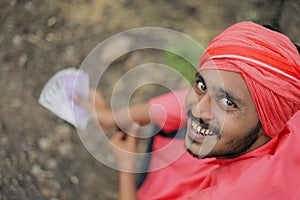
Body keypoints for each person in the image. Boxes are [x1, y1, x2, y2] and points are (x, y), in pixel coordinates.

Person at [74, 21, 300, 199]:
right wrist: (112, 118)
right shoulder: (283, 97)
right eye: (201, 85)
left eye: (228, 103)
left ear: (269, 124)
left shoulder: (237, 193)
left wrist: (126, 168)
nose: (198, 109)